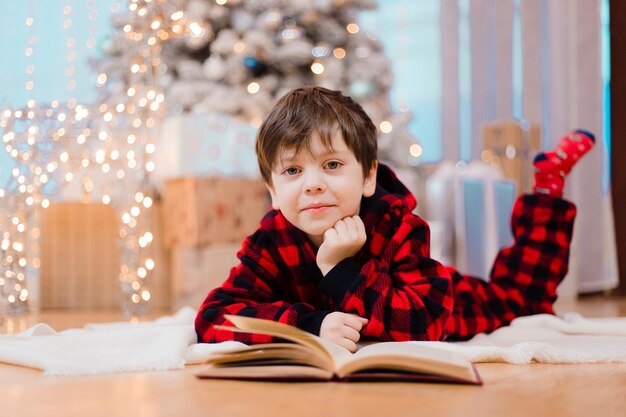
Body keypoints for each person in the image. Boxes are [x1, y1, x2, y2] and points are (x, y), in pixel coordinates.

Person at [195, 86, 595, 352]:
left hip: (451, 300)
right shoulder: (272, 239)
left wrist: (342, 271)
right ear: (272, 189)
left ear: (368, 176)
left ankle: (546, 191)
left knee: (525, 300)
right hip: (372, 301)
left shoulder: (395, 224)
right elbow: (216, 317)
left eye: (331, 164)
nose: (312, 185)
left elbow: (425, 326)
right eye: (293, 171)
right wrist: (312, 325)